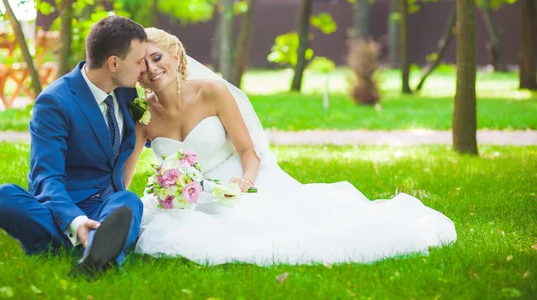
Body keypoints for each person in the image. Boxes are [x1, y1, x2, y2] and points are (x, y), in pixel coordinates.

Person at [124, 27, 457, 266]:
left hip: (239, 181)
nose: (152, 69)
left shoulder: (212, 92)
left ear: (176, 55)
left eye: (157, 58)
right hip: (190, 198)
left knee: (280, 228)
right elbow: (126, 175)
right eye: (143, 64)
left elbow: (249, 152)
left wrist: (245, 183)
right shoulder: (143, 117)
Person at [0, 16, 147, 276]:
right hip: (60, 207)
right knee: (3, 198)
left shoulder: (125, 90)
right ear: (114, 63)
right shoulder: (54, 102)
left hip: (107, 204)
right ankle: (97, 247)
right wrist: (76, 220)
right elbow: (46, 177)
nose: (143, 69)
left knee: (129, 201)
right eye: (139, 61)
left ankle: (83, 249)